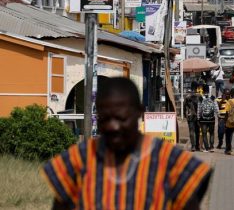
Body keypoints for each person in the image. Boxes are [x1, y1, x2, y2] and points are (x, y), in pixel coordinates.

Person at [42, 77, 211, 210]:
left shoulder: (173, 163)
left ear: (139, 112)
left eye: (121, 118)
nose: (112, 126)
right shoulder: (76, 160)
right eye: (105, 118)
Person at [197, 85, 219, 152]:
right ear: (209, 90)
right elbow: (216, 108)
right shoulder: (212, 98)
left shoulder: (201, 98)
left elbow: (199, 109)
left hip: (203, 120)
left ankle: (206, 148)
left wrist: (198, 118)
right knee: (211, 133)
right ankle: (211, 147)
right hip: (211, 119)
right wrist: (218, 115)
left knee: (204, 133)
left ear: (203, 90)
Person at [184, 84, 202, 151]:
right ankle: (197, 146)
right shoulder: (199, 96)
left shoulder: (187, 97)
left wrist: (185, 115)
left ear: (191, 88)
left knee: (191, 131)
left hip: (190, 116)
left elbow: (184, 106)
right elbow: (202, 105)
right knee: (197, 131)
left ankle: (193, 146)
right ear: (196, 88)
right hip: (198, 116)